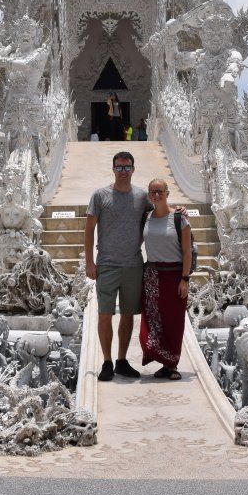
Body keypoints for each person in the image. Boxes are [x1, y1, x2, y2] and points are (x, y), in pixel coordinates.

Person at [84, 150, 150, 381]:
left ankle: (121, 360)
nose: (123, 171)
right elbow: (89, 228)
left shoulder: (142, 196)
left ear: (133, 169)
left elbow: (159, 212)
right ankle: (107, 361)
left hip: (133, 264)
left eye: (127, 167)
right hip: (107, 264)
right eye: (119, 167)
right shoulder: (100, 195)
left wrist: (177, 211)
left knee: (128, 314)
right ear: (113, 169)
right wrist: (89, 262)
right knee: (105, 314)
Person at [140, 178, 192, 380]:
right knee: (153, 320)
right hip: (152, 275)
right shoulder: (146, 217)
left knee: (174, 321)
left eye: (160, 191)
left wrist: (185, 279)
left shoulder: (179, 218)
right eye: (153, 192)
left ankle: (172, 364)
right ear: (149, 195)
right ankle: (163, 361)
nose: (156, 195)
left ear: (167, 193)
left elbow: (187, 252)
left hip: (175, 275)